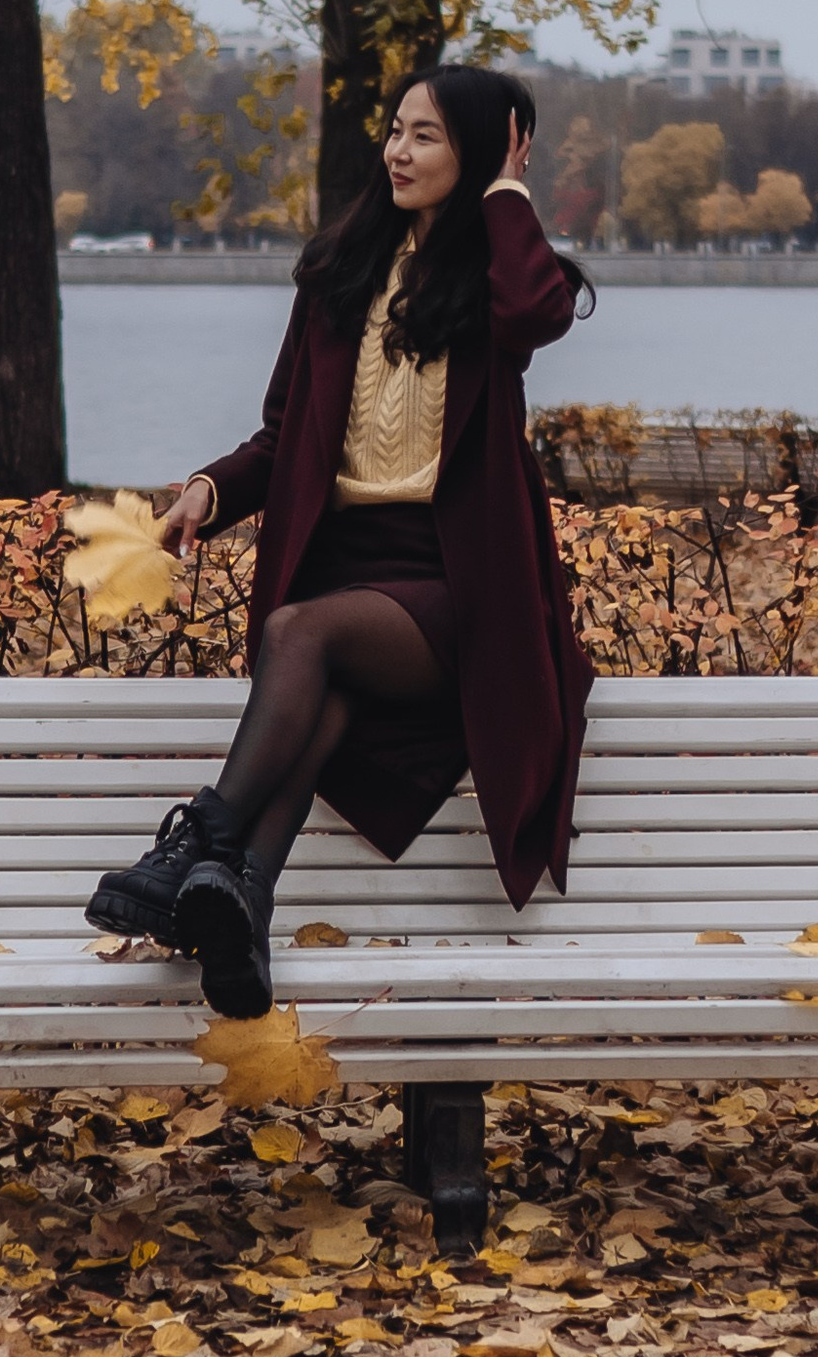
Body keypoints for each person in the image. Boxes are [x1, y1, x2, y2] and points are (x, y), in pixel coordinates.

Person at [85, 64, 595, 1016]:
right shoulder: (338, 273)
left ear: (479, 155)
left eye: (429, 137)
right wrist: (208, 489)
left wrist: (511, 194)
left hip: (458, 590)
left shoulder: (499, 283)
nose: (400, 151)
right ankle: (239, 903)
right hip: (348, 580)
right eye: (396, 130)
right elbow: (283, 437)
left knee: (300, 635)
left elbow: (538, 312)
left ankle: (192, 842)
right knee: (320, 678)